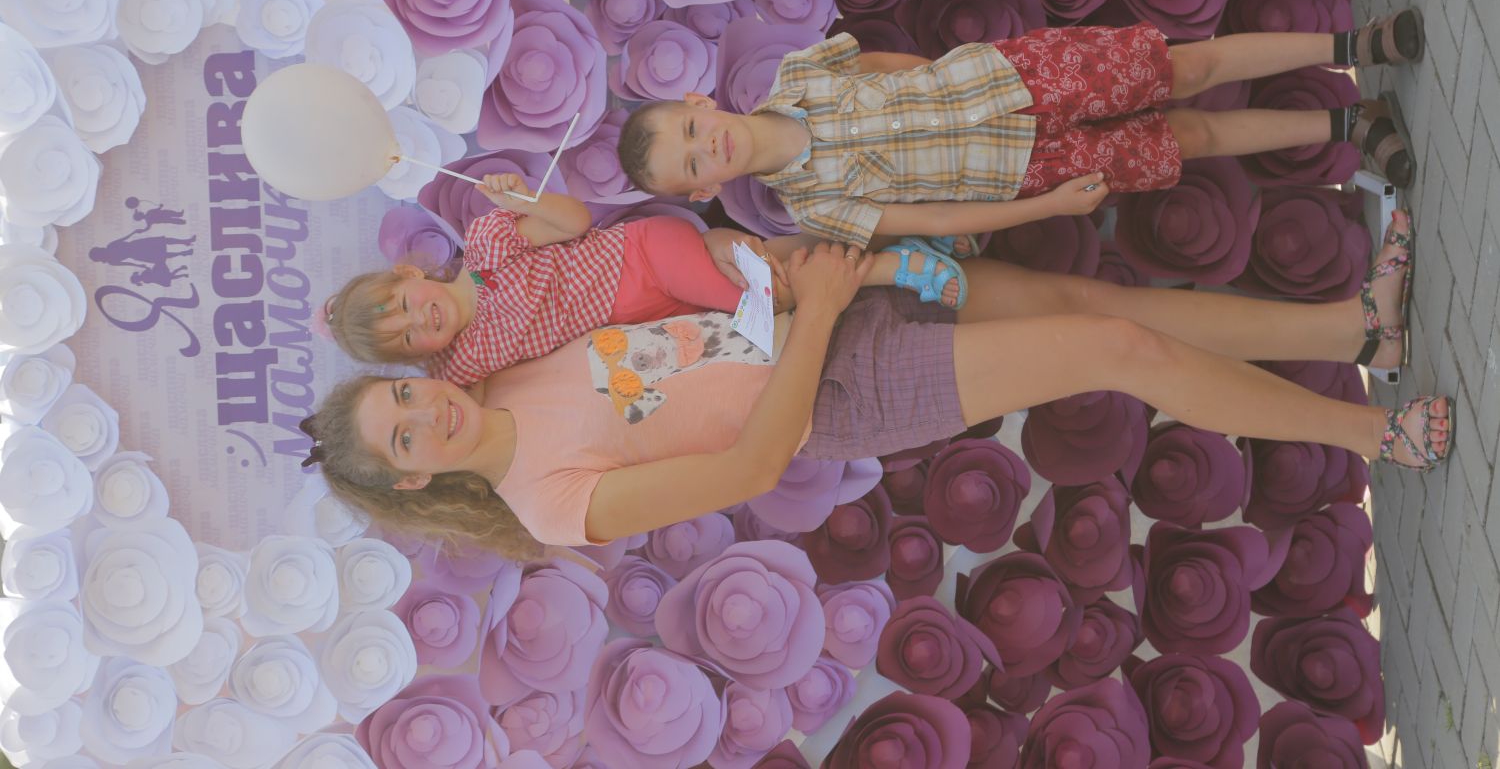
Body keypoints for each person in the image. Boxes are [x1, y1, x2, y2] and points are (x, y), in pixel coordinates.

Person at [301, 209, 1449, 560]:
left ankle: (1355, 321)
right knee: (1115, 348)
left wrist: (786, 279)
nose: (423, 412)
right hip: (841, 386)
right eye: (405, 437)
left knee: (1092, 304)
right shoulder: (550, 504)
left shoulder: (499, 363)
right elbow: (752, 466)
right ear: (415, 483)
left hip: (818, 303)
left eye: (399, 395)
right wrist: (823, 315)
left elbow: (604, 265)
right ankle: (1375, 433)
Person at [615, 11, 1425, 249]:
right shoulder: (813, 208)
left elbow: (888, 64)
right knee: (1191, 140)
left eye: (689, 130)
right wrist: (1047, 206)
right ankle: (1350, 122)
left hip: (1016, 77)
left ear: (698, 101)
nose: (705, 147)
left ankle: (1356, 47)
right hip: (1027, 169)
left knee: (1187, 69)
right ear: (705, 190)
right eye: (692, 166)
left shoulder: (799, 73)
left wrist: (962, 78)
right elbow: (934, 219)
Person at [325, 174, 978, 386]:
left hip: (643, 257)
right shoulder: (460, 364)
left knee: (766, 301)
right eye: (406, 337)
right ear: (415, 359)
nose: (420, 320)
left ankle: (893, 265)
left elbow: (575, 221)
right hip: (646, 320)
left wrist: (524, 198)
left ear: (408, 272)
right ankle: (897, 239)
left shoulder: (488, 247)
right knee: (769, 277)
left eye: (404, 303)